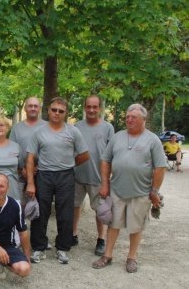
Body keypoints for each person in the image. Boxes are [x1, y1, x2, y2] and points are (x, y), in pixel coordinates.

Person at [92, 103, 166, 273]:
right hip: (117, 190)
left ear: (144, 119)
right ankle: (107, 256)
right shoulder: (117, 137)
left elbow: (160, 167)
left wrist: (154, 191)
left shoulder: (152, 139)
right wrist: (105, 184)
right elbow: (105, 160)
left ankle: (131, 258)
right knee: (113, 224)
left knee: (136, 226)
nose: (129, 120)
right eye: (127, 117)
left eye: (134, 117)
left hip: (141, 192)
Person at [26, 97, 89, 264]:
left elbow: (84, 155)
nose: (57, 113)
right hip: (44, 175)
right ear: (48, 110)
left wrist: (69, 164)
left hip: (65, 175)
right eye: (54, 110)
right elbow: (30, 158)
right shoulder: (39, 132)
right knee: (41, 213)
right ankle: (39, 248)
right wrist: (31, 182)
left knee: (65, 213)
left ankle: (62, 248)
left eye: (61, 111)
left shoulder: (73, 131)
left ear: (65, 113)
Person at [73, 95, 114, 255]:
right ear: (84, 107)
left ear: (100, 109)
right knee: (75, 206)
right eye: (88, 106)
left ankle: (101, 239)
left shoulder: (107, 128)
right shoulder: (76, 127)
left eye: (94, 107)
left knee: (100, 209)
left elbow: (111, 154)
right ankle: (73, 234)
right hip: (77, 176)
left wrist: (107, 179)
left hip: (98, 177)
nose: (91, 110)